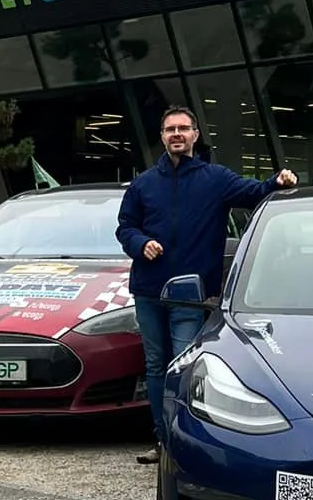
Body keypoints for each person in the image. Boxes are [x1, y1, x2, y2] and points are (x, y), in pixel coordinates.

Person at [118, 104, 297, 462]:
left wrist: (277, 182)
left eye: (183, 129)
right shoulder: (144, 184)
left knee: (183, 366)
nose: (177, 135)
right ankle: (162, 441)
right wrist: (140, 243)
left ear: (195, 135)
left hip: (190, 294)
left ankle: (182, 442)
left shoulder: (215, 179)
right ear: (162, 137)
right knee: (155, 365)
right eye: (170, 129)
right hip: (149, 289)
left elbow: (254, 191)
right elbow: (125, 227)